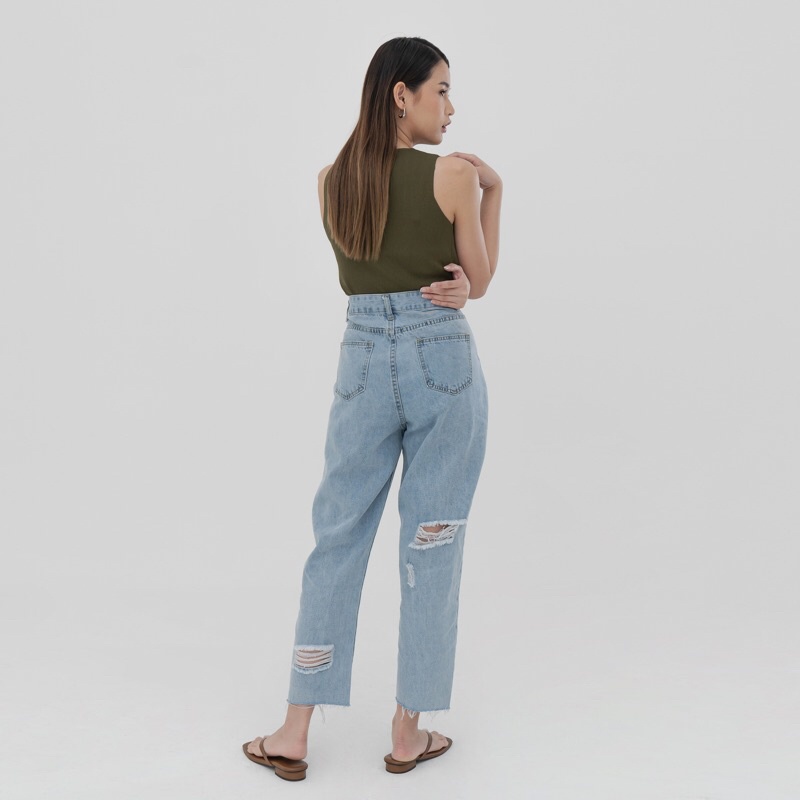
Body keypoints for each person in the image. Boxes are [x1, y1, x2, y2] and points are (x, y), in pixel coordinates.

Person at [242, 35, 502, 781]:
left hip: (359, 357)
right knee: (432, 540)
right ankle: (407, 731)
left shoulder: (332, 181)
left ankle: (295, 729)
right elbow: (479, 282)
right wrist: (495, 193)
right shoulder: (454, 175)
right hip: (439, 357)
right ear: (401, 94)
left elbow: (367, 268)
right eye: (441, 90)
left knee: (337, 536)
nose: (449, 108)